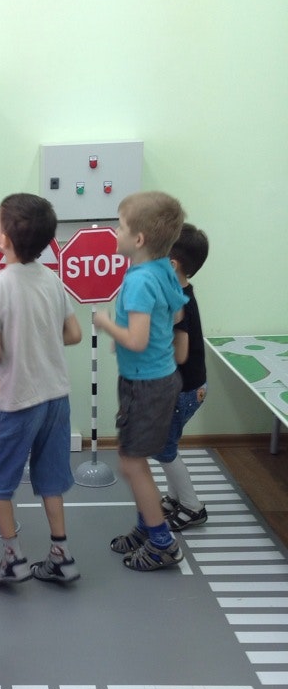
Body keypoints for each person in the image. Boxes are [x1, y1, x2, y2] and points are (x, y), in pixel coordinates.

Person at [0, 193, 82, 585]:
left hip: (16, 401)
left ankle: (13, 559)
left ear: (4, 238)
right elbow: (74, 333)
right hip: (56, 397)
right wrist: (39, 339)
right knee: (51, 479)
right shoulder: (51, 279)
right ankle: (62, 555)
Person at [94, 191, 187, 571]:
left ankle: (162, 542)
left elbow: (136, 340)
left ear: (139, 239)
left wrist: (106, 324)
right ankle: (147, 526)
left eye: (120, 227)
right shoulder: (163, 267)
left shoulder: (139, 281)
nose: (115, 232)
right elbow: (177, 314)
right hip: (158, 378)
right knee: (134, 461)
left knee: (131, 464)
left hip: (145, 385)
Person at [154, 223, 210, 529]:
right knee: (167, 444)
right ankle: (176, 497)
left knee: (164, 448)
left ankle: (192, 506)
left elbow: (177, 354)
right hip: (191, 387)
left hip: (182, 391)